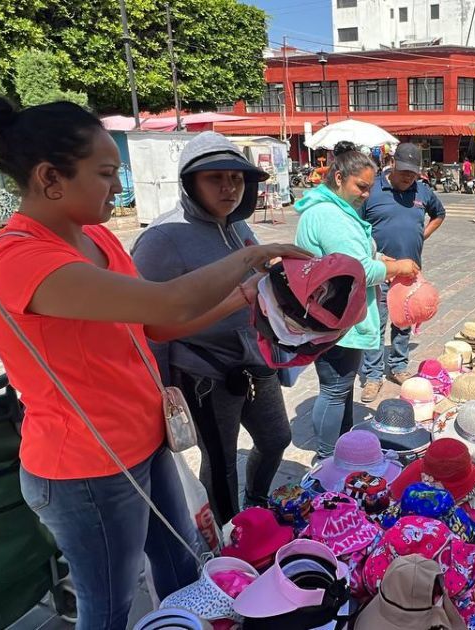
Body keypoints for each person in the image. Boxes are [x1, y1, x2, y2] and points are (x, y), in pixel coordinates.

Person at [0, 97, 309, 629]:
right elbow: (168, 302)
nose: (118, 184)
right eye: (106, 173)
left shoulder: (97, 238)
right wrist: (251, 255)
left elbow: (153, 328)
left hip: (144, 440)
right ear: (50, 178)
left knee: (180, 564)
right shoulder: (22, 261)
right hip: (86, 467)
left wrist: (245, 295)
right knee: (107, 609)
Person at [131, 132, 291, 523]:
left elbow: (264, 280)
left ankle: (255, 503)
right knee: (220, 463)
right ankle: (230, 538)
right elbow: (149, 324)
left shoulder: (239, 228)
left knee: (276, 439)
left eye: (236, 179)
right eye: (215, 178)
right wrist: (160, 388)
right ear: (190, 183)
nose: (228, 188)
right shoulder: (161, 239)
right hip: (203, 372)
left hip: (255, 360)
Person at [294, 141, 419, 459]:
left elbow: (355, 253)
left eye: (369, 187)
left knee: (342, 387)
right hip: (334, 317)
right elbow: (357, 269)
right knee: (335, 390)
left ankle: (343, 448)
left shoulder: (337, 211)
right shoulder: (329, 215)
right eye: (360, 186)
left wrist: (380, 255)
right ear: (338, 178)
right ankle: (325, 457)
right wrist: (395, 266)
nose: (366, 194)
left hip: (337, 314)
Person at [359, 143, 446, 402]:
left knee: (404, 320)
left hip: (409, 273)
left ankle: (398, 366)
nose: (408, 177)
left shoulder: (423, 190)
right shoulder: (372, 189)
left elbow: (439, 214)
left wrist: (422, 235)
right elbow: (357, 227)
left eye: (413, 172)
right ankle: (373, 375)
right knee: (375, 324)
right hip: (379, 272)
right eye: (404, 171)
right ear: (392, 163)